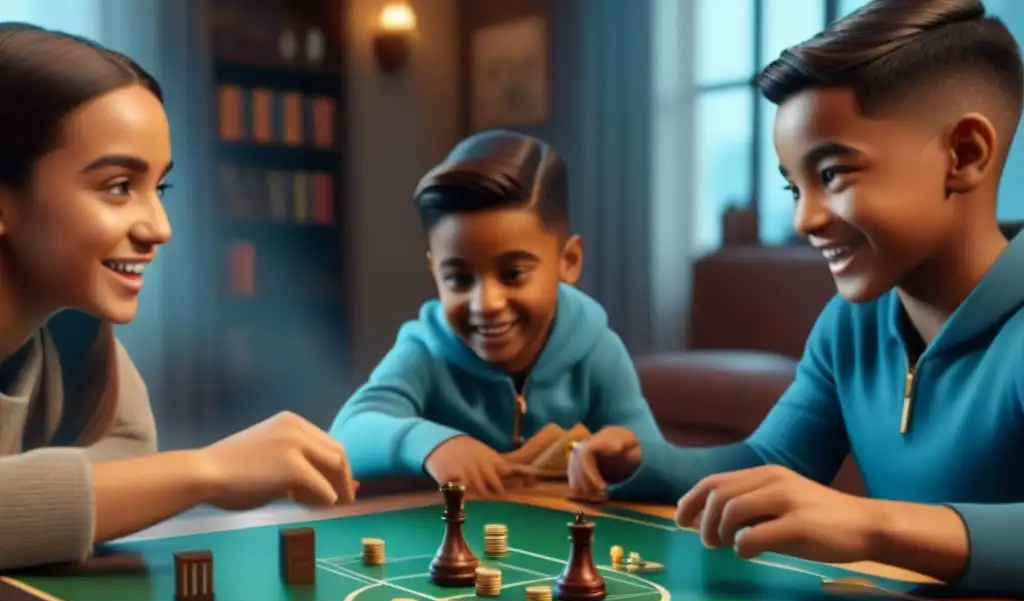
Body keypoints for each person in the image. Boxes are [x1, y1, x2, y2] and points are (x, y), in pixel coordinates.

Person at [570, 0, 1024, 598]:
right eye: (793, 185)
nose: (804, 218)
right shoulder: (849, 326)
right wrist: (642, 464)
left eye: (832, 174)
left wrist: (871, 523)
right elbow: (770, 461)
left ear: (965, 154)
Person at [0, 24, 355, 572]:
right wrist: (205, 471)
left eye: (158, 188)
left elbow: (129, 456)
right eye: (118, 186)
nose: (160, 228)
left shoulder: (72, 333)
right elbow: (135, 479)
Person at [330, 130, 662, 496]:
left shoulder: (597, 349)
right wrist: (432, 444)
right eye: (458, 279)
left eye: (513, 275)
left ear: (568, 261)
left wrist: (626, 453)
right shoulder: (425, 353)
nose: (485, 303)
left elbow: (653, 454)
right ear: (434, 273)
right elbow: (346, 437)